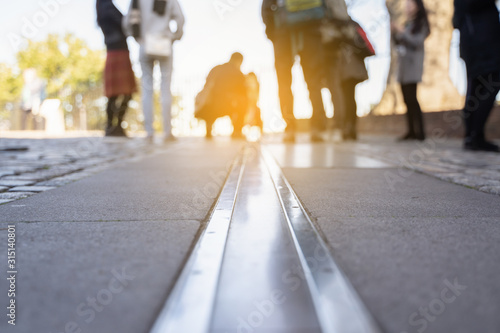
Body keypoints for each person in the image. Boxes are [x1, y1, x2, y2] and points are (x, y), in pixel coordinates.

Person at [262, 0, 329, 142]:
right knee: (314, 80)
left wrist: (271, 30)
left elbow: (267, 6)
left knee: (284, 81)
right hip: (310, 26)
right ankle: (318, 128)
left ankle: (290, 127)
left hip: (283, 29)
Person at [124, 0, 185, 143]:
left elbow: (127, 23)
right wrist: (175, 36)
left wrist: (138, 38)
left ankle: (149, 132)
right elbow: (180, 18)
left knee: (147, 89)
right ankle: (167, 132)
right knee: (165, 87)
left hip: (145, 44)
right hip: (164, 43)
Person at [453, 0, 500, 152]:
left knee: (475, 86)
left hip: (471, 38)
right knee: (491, 81)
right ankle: (475, 135)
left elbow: (456, 21)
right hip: (482, 38)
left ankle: (471, 136)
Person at [323, 18, 370, 141]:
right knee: (346, 97)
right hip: (344, 66)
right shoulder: (347, 23)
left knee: (347, 97)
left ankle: (349, 128)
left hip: (349, 66)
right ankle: (348, 128)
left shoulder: (348, 24)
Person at [391, 0, 430, 141]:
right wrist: (394, 33)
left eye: (410, 4)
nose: (407, 7)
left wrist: (402, 31)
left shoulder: (421, 24)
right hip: (403, 68)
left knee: (413, 99)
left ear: (417, 6)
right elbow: (399, 43)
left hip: (413, 67)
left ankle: (420, 133)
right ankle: (411, 131)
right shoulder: (407, 23)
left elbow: (417, 42)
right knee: (406, 100)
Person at [97, 0, 136, 137]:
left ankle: (110, 126)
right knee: (127, 92)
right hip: (119, 50)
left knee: (113, 93)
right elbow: (125, 25)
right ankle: (116, 125)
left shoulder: (101, 7)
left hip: (111, 51)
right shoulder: (108, 7)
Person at [195, 53, 249, 139]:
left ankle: (209, 127)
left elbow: (206, 85)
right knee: (244, 100)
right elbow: (244, 92)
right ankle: (237, 130)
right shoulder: (238, 73)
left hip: (211, 105)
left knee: (212, 102)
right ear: (239, 61)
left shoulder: (216, 69)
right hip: (230, 105)